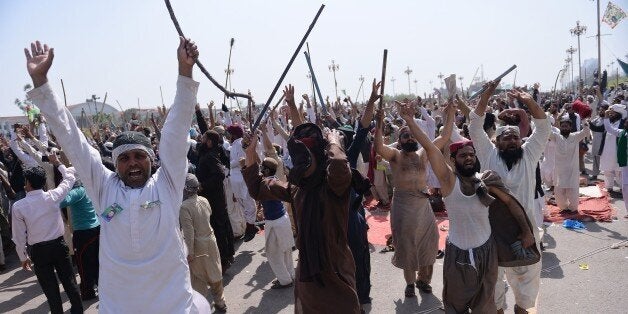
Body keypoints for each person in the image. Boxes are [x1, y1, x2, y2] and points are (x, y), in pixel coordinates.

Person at [25, 38, 209, 312]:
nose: (132, 163)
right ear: (115, 163)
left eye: (139, 156)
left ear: (151, 159)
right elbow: (72, 139)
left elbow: (176, 131)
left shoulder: (167, 186)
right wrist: (42, 83)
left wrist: (184, 72)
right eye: (124, 158)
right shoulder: (104, 188)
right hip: (119, 305)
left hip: (173, 304)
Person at [242, 118, 360, 313]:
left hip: (336, 271)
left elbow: (339, 162)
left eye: (305, 159)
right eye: (298, 160)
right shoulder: (297, 189)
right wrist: (250, 152)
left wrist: (333, 140)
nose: (300, 165)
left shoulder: (334, 186)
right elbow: (256, 186)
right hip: (309, 276)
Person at [469, 81, 550, 314]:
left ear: (521, 141)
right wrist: (486, 95)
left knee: (526, 289)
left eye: (515, 138)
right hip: (492, 231)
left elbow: (543, 128)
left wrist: (528, 102)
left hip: (526, 230)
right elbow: (475, 125)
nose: (511, 141)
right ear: (497, 142)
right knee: (493, 287)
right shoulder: (488, 154)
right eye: (505, 138)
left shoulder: (528, 155)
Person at [374, 100, 450, 298]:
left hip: (423, 206)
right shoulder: (396, 156)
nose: (409, 137)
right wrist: (379, 122)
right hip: (402, 206)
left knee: (429, 243)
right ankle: (410, 283)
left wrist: (450, 114)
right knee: (406, 245)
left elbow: (445, 136)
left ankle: (424, 281)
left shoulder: (423, 154)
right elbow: (379, 147)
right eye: (404, 135)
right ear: (399, 141)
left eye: (411, 134)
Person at [11, 165, 83, 314]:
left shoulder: (19, 206)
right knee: (70, 283)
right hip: (59, 246)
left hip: (39, 251)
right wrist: (60, 165)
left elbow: (18, 236)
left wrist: (23, 257)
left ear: (28, 183)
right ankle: (78, 311)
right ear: (43, 182)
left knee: (51, 290)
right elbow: (70, 178)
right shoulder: (53, 195)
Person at [243, 153, 295, 289]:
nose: (260, 170)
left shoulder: (267, 184)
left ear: (266, 171)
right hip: (282, 220)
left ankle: (285, 280)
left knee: (273, 254)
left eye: (262, 168)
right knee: (286, 251)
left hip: (275, 223)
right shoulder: (273, 180)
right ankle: (290, 275)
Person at [195, 111, 236, 271]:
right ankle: (228, 253)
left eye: (204, 138)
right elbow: (205, 129)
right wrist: (198, 112)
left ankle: (224, 258)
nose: (201, 139)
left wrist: (203, 185)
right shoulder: (210, 151)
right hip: (216, 195)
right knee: (222, 222)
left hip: (213, 197)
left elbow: (219, 174)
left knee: (219, 225)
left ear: (210, 142)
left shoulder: (210, 156)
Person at [180, 173, 227, 312]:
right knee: (215, 273)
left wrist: (190, 253)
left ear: (186, 189)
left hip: (197, 245)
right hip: (211, 240)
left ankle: (201, 308)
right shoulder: (204, 200)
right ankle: (220, 302)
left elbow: (189, 232)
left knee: (198, 279)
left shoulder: (184, 207)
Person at [59, 174, 101, 301]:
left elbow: (60, 202)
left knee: (83, 265)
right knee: (96, 262)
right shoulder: (88, 189)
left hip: (83, 233)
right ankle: (102, 287)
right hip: (95, 229)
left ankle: (87, 292)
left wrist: (62, 188)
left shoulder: (77, 192)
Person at [550, 116, 591, 213]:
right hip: (559, 171)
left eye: (566, 126)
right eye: (562, 126)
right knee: (559, 192)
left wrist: (585, 122)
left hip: (572, 169)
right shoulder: (556, 137)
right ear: (560, 128)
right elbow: (546, 132)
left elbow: (586, 132)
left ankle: (573, 208)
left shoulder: (575, 136)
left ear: (570, 127)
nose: (564, 128)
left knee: (573, 191)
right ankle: (563, 208)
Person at [227, 124, 259, 241]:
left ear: (234, 134)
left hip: (243, 178)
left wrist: (226, 165)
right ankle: (251, 226)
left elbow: (242, 159)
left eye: (229, 133)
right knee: (242, 204)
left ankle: (250, 228)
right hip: (236, 179)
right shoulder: (234, 145)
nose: (228, 136)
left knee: (249, 203)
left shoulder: (241, 143)